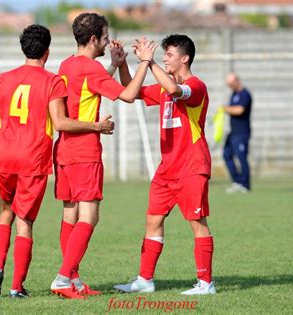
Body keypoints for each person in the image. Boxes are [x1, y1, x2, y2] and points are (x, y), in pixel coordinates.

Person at [0, 24, 115, 299]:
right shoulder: (52, 81)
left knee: (5, 213)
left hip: (3, 157)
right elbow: (60, 122)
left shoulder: (3, 79)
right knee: (25, 223)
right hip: (32, 159)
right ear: (47, 51)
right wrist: (95, 126)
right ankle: (16, 287)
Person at [50, 12, 158, 299]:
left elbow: (89, 88)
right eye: (106, 38)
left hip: (62, 150)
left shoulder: (67, 64)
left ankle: (72, 279)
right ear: (94, 38)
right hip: (85, 151)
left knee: (70, 216)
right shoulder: (90, 68)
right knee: (90, 216)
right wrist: (144, 63)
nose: (109, 43)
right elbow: (127, 94)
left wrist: (114, 64)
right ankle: (63, 278)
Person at [112, 34, 216, 295]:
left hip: (192, 166)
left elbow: (174, 90)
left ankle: (206, 283)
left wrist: (149, 62)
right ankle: (145, 280)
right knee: (152, 221)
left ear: (185, 58)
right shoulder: (161, 86)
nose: (165, 59)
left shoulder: (197, 86)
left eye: (169, 55)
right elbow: (130, 88)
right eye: (164, 55)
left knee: (197, 222)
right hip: (166, 169)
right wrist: (125, 64)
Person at [223, 72, 252, 193]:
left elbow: (240, 110)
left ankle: (245, 184)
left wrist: (224, 109)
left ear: (236, 81)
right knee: (226, 154)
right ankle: (236, 181)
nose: (230, 86)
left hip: (242, 133)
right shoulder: (233, 94)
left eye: (231, 84)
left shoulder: (245, 94)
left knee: (241, 157)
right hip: (233, 132)